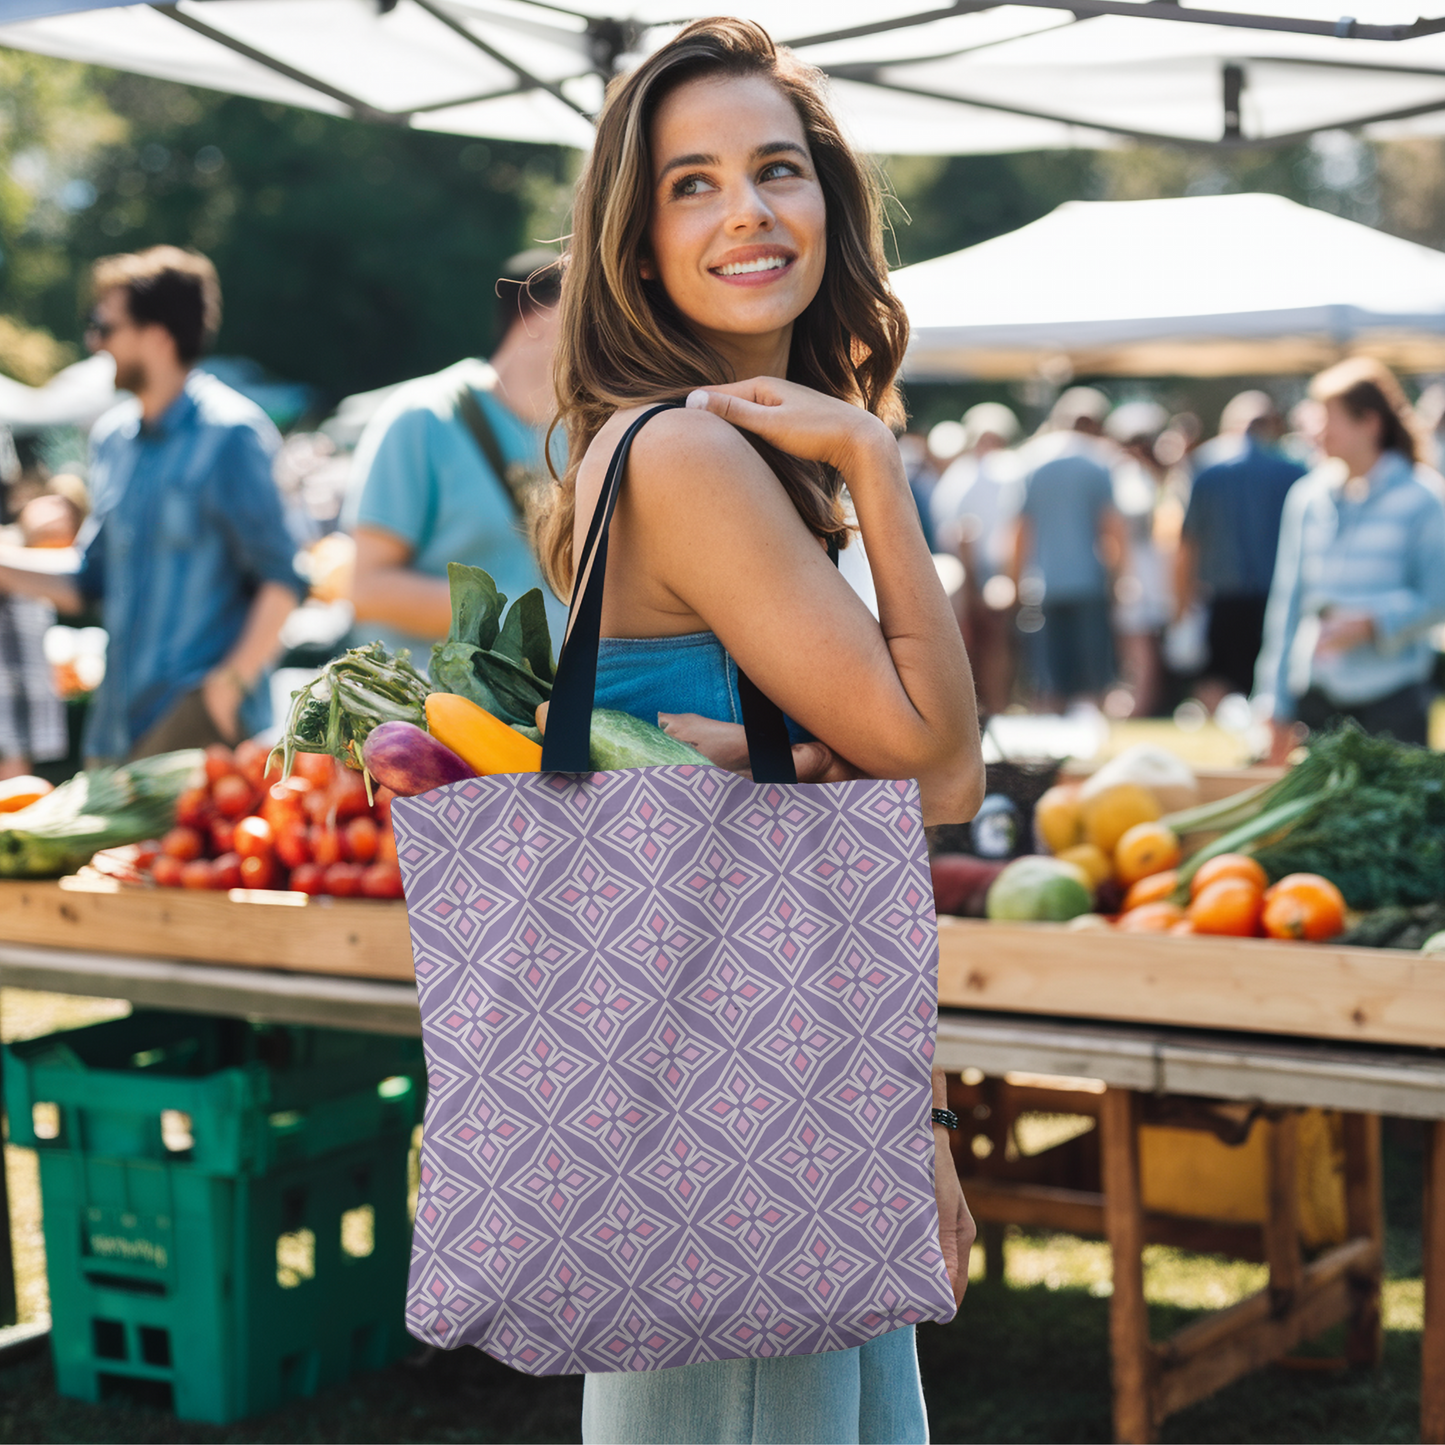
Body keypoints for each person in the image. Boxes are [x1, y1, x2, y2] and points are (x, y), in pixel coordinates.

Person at [531, 19, 982, 1441]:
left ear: (829, 201)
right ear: (637, 238)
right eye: (691, 183)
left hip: (764, 1073)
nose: (746, 212)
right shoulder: (692, 454)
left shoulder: (709, 441)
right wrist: (876, 459)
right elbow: (946, 761)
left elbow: (842, 816)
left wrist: (911, 1119)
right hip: (738, 1118)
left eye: (777, 169)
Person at [0, 247, 303, 760]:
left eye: (104, 326)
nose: (93, 341)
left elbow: (283, 580)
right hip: (115, 731)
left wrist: (222, 695)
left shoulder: (231, 434)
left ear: (158, 336)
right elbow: (87, 580)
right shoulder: (112, 438)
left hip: (197, 736)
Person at [345, 250, 569, 664]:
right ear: (537, 318)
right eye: (589, 310)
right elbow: (367, 589)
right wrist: (527, 623)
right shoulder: (422, 418)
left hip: (534, 718)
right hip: (424, 713)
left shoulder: (580, 432)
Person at [1256, 358, 1445, 760]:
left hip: (1394, 700)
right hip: (1319, 697)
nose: (1317, 431)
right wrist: (1274, 698)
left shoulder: (1424, 499)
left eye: (1329, 418)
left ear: (1369, 422)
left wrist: (1371, 623)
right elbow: (1287, 604)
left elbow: (1438, 596)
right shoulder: (1307, 499)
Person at [1176, 392, 1306, 706]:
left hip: (1225, 596)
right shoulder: (1296, 471)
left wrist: (1180, 599)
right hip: (1278, 595)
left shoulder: (1209, 473)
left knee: (1219, 685)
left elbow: (1188, 542)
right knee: (1272, 681)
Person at [1010, 387, 1128, 711]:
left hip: (1043, 584)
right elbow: (1113, 529)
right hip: (1089, 582)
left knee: (1048, 678)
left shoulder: (1031, 460)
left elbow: (1020, 530)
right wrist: (1119, 578)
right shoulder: (1099, 461)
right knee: (1092, 674)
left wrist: (1014, 579)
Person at [929, 402, 1024, 716]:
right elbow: (964, 535)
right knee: (984, 644)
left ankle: (993, 708)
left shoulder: (964, 476)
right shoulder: (969, 477)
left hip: (982, 572)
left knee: (990, 643)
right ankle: (989, 709)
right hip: (973, 573)